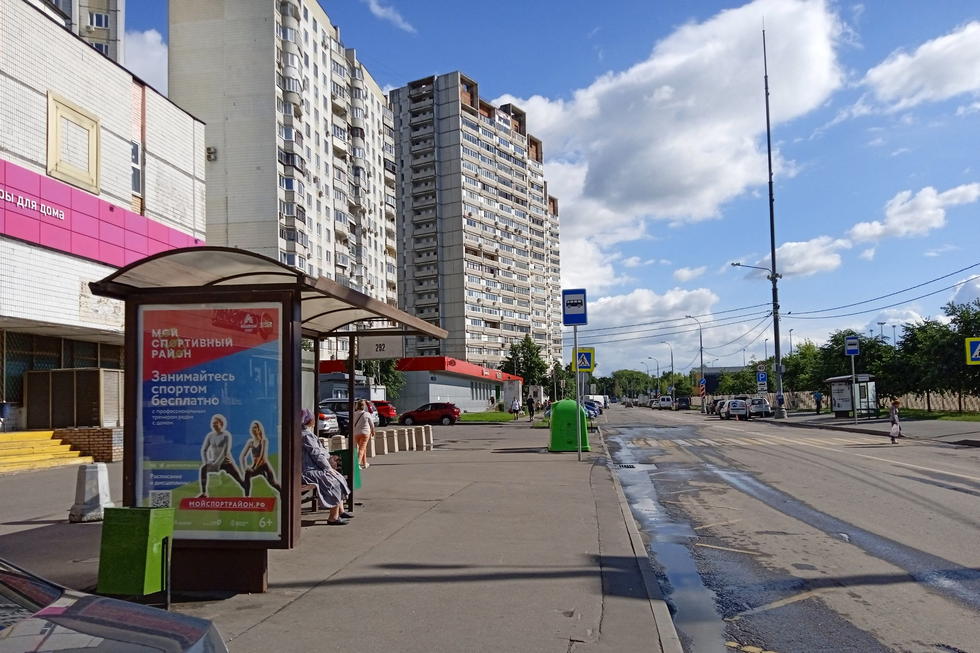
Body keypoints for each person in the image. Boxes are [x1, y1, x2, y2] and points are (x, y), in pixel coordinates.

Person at [300, 408, 352, 525]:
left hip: (308, 469)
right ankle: (333, 517)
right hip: (308, 471)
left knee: (337, 477)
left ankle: (340, 511)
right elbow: (316, 454)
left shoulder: (303, 433)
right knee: (334, 481)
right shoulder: (306, 435)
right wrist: (328, 468)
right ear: (309, 420)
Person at [198, 414, 246, 497]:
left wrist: (216, 464)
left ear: (221, 424)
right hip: (214, 462)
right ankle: (204, 493)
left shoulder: (226, 435)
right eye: (213, 423)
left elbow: (225, 452)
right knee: (203, 469)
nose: (214, 424)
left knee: (239, 480)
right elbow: (204, 450)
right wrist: (206, 462)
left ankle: (247, 494)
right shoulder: (210, 436)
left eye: (216, 423)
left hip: (226, 463)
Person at [240, 420, 281, 496]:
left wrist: (255, 467)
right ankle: (247, 497)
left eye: (255, 427)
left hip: (264, 466)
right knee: (247, 474)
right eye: (252, 428)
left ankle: (282, 493)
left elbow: (262, 456)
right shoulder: (251, 442)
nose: (253, 429)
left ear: (259, 430)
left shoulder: (263, 441)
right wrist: (245, 467)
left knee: (272, 483)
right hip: (255, 466)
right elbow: (243, 456)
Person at [352, 399, 375, 469]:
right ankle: (357, 464)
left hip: (356, 433)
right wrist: (373, 431)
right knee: (362, 449)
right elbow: (372, 424)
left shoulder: (354, 414)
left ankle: (365, 463)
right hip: (365, 433)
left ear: (357, 406)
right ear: (364, 406)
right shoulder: (367, 414)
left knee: (362, 448)